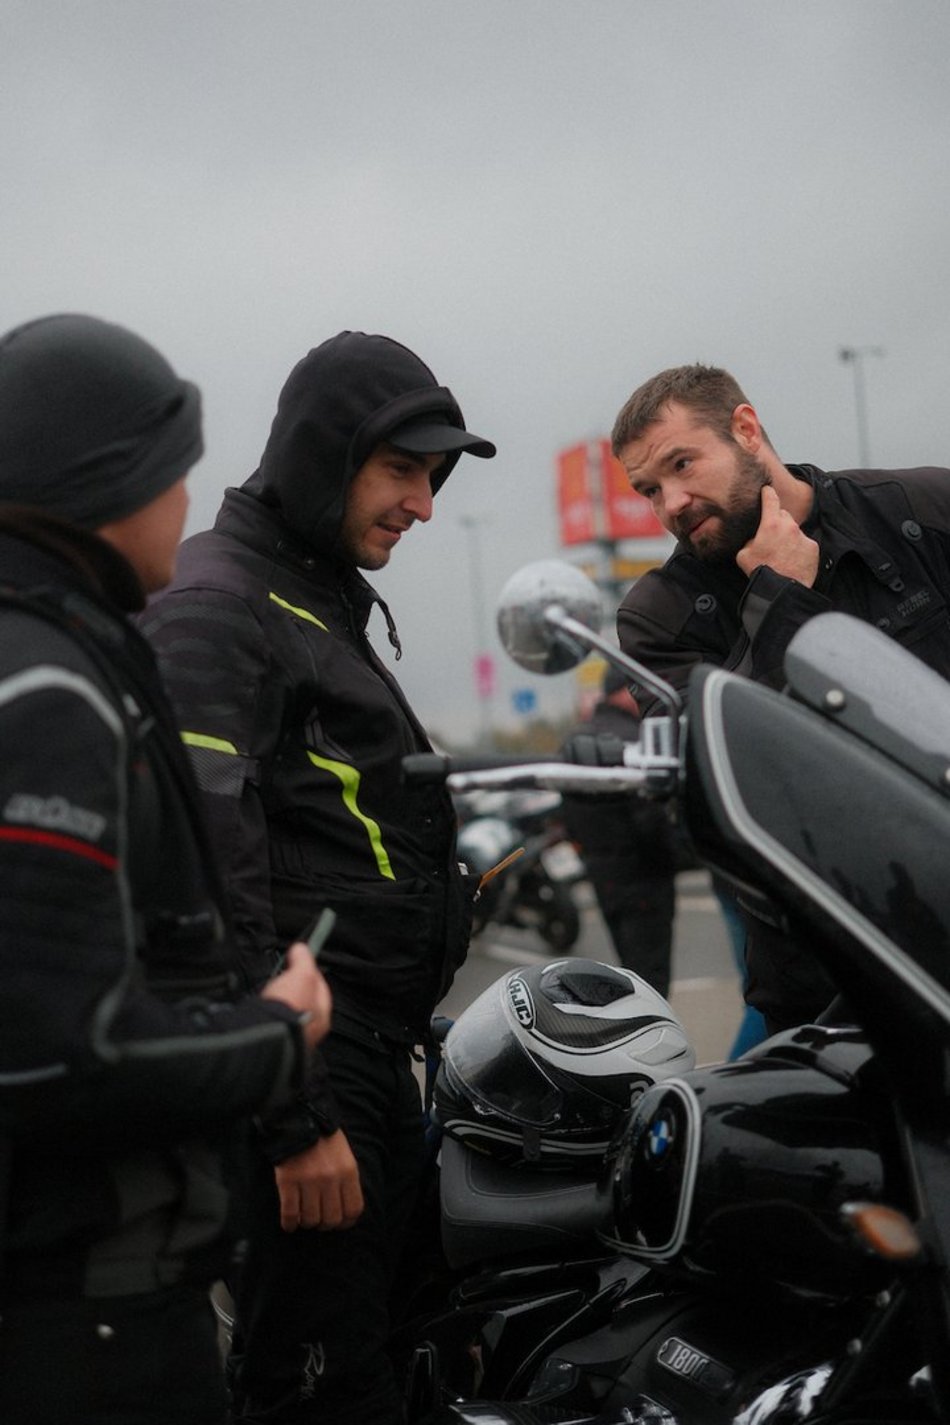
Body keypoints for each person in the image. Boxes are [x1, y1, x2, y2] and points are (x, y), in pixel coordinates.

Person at [140, 330, 496, 1424]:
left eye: (433, 479)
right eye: (401, 472)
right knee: (318, 1386)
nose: (423, 506)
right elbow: (207, 876)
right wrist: (292, 1121)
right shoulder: (219, 604)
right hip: (303, 1066)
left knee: (394, 1357)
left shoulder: (309, 590)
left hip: (367, 1051)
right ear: (317, 454)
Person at [0, 314, 332, 1425]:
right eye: (174, 470)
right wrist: (275, 1038)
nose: (189, 503)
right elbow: (60, 1052)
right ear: (112, 481)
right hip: (83, 1313)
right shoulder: (46, 692)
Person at [610, 362, 950, 1031]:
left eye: (683, 464)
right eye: (650, 488)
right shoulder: (658, 616)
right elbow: (714, 773)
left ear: (745, 429)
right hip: (823, 969)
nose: (671, 503)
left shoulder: (920, 510)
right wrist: (778, 600)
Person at [561, 666, 678, 997]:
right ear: (625, 692)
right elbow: (651, 818)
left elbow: (567, 815)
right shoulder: (634, 740)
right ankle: (651, 1044)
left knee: (630, 974)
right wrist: (674, 855)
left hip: (604, 876)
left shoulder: (577, 740)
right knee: (652, 982)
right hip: (644, 878)